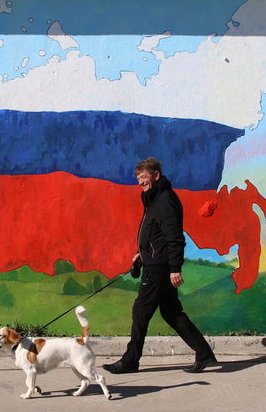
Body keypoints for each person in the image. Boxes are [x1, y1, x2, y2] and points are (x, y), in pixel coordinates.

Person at [103, 157, 217, 374]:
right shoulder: (154, 199)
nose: (140, 182)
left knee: (140, 312)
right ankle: (204, 353)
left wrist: (175, 268)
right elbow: (156, 235)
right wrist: (142, 253)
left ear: (156, 175)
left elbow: (175, 237)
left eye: (143, 177)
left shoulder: (165, 200)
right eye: (138, 178)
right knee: (172, 312)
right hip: (156, 263)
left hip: (159, 268)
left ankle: (130, 360)